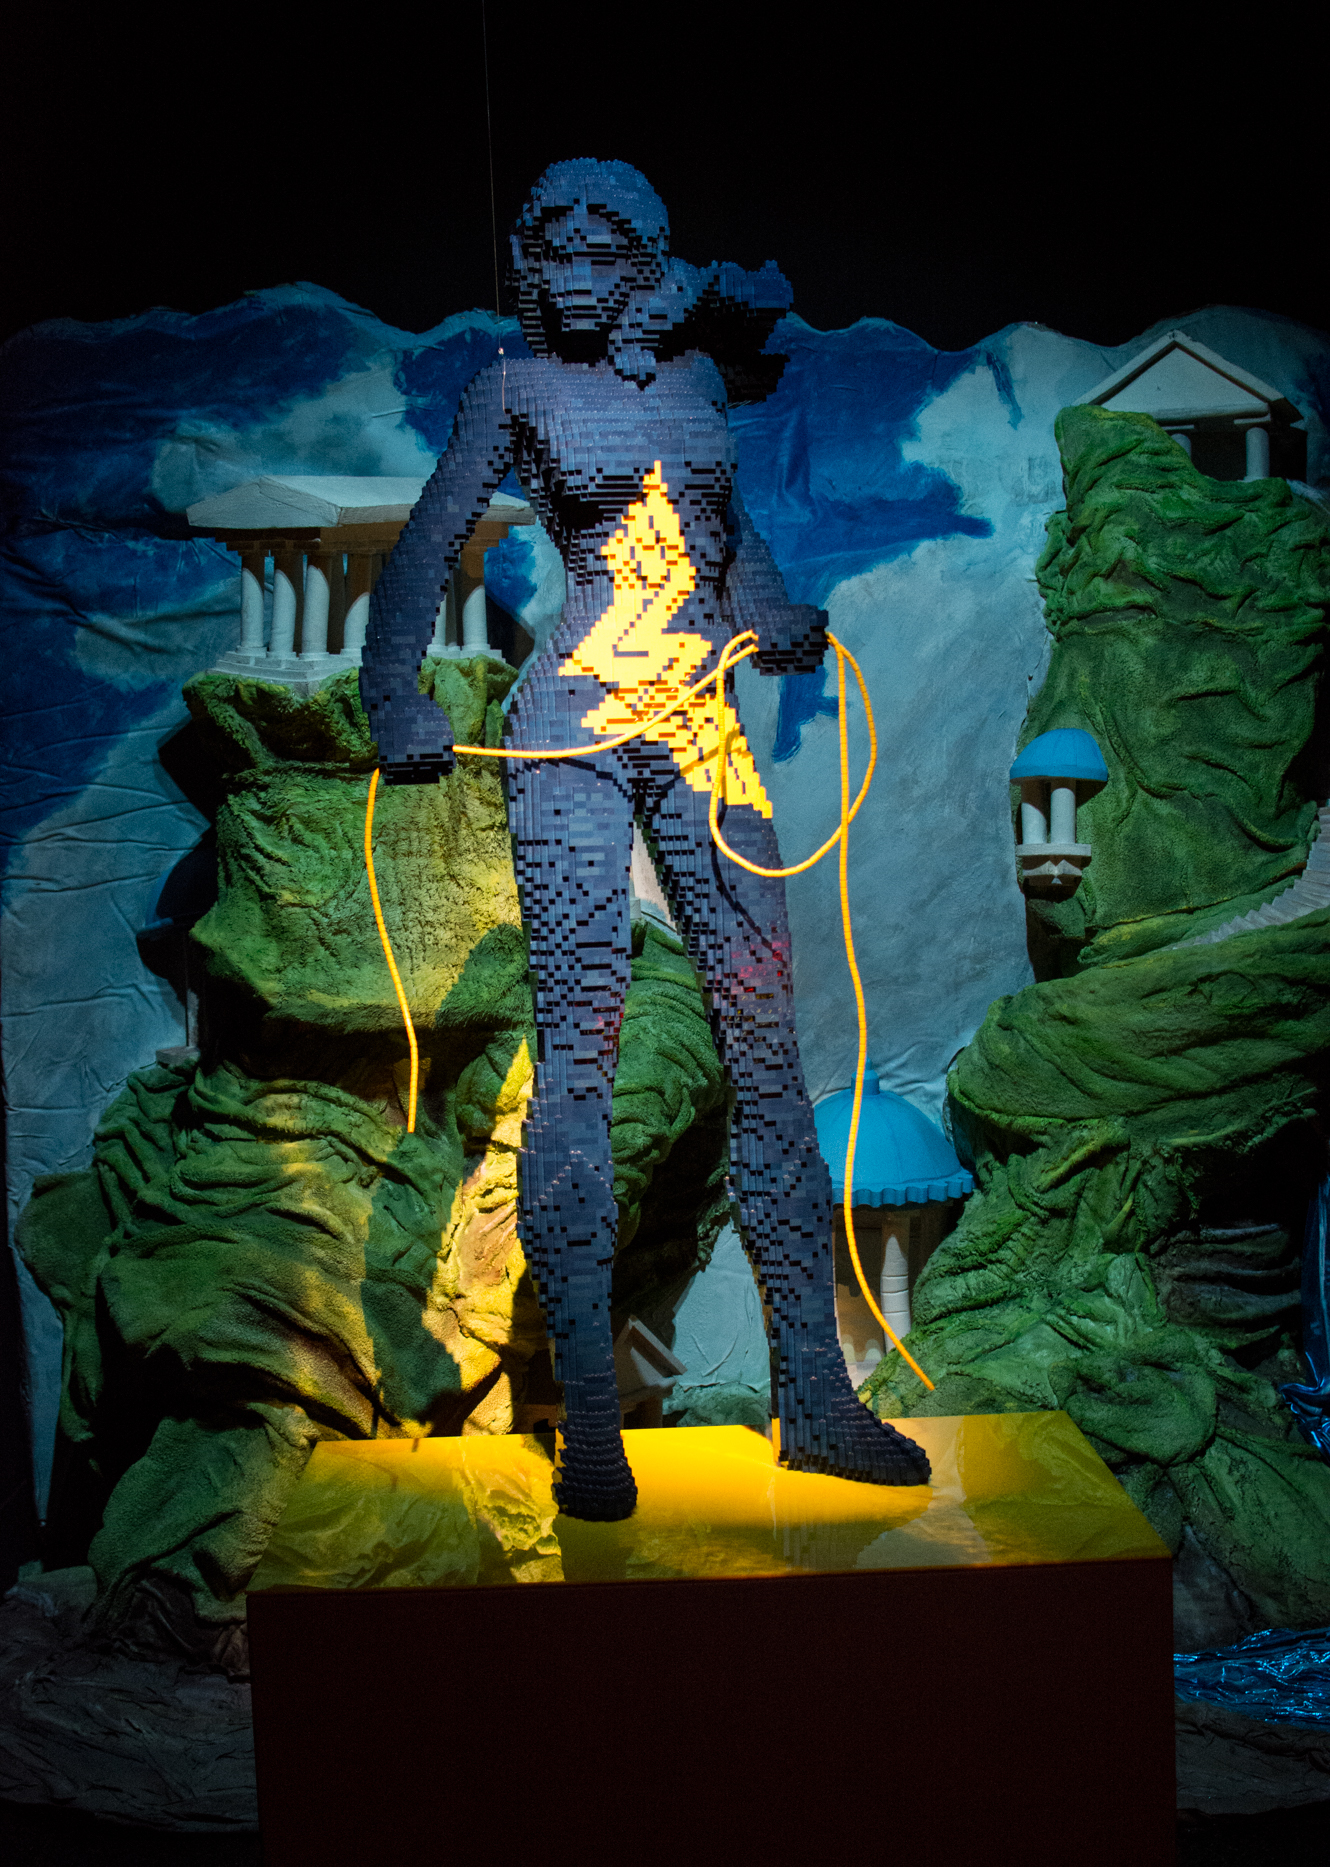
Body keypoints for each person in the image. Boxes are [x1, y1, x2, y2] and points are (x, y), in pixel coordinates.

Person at [360, 158, 930, 1519]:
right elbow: (429, 541)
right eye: (548, 250)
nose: (569, 273)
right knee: (581, 1052)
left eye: (596, 251)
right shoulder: (513, 387)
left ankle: (814, 1396)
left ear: (640, 261)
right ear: (527, 262)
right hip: (570, 724)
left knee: (767, 1048)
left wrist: (771, 610)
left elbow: (726, 535)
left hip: (698, 722)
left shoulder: (694, 383)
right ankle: (589, 1421)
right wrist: (394, 693)